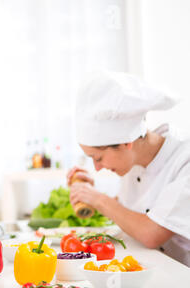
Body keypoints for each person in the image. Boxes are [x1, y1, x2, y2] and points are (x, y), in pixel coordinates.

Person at [66, 70, 190, 267]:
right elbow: (130, 211)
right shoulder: (133, 161)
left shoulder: (185, 159)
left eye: (98, 158)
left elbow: (152, 233)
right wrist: (89, 197)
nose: (97, 168)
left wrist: (98, 199)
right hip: (154, 268)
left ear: (126, 142)